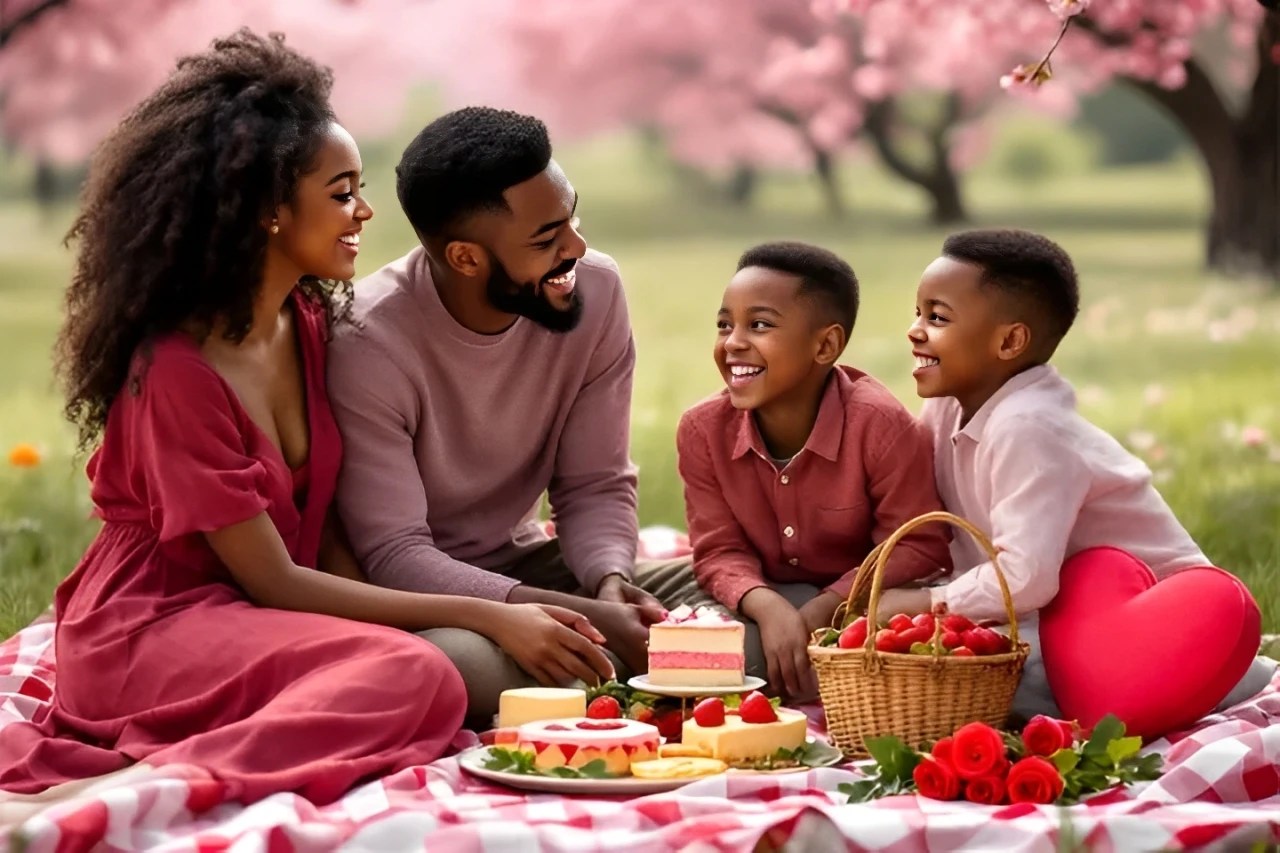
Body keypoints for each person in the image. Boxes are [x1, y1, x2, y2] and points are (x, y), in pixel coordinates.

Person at [0, 31, 611, 811]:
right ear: (267, 212)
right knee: (421, 671)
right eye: (341, 190)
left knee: (417, 666)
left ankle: (256, 738)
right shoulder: (176, 370)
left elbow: (320, 535)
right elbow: (273, 574)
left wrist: (408, 632)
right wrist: (488, 611)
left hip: (258, 619)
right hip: (150, 630)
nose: (364, 210)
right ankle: (129, 790)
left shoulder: (308, 321)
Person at [328, 107, 694, 719]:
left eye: (572, 217)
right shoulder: (368, 343)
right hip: (434, 603)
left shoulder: (595, 290)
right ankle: (612, 676)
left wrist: (607, 580)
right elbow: (394, 554)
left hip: (538, 566)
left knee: (741, 619)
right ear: (467, 259)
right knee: (457, 668)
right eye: (546, 239)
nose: (576, 247)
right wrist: (541, 613)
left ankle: (594, 676)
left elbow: (594, 482)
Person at [880, 227, 1275, 720]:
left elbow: (1027, 577)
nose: (915, 330)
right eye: (917, 313)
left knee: (963, 676)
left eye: (937, 317)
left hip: (1159, 628)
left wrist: (925, 603)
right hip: (1058, 621)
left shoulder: (1030, 428)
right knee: (924, 658)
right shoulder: (947, 409)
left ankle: (1230, 682)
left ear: (1009, 341)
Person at [673, 242, 952, 700]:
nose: (734, 342)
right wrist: (768, 608)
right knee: (692, 648)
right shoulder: (702, 430)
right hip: (763, 596)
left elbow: (916, 545)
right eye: (725, 324)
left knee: (768, 662)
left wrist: (827, 605)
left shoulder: (881, 426)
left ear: (825, 345)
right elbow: (718, 550)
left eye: (759, 325)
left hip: (858, 603)